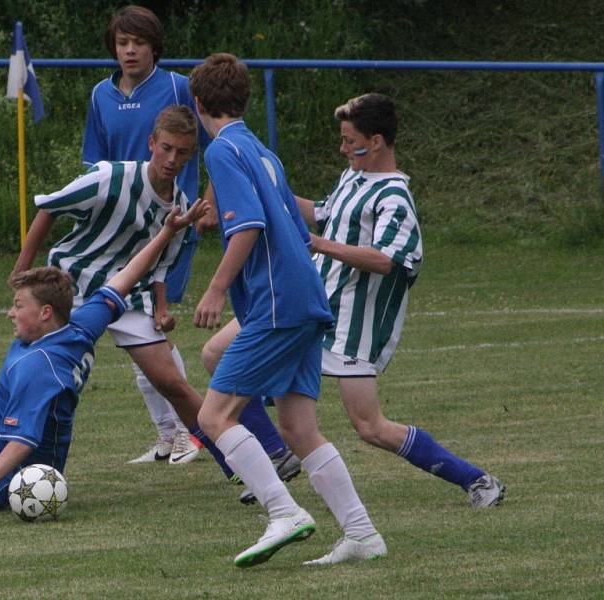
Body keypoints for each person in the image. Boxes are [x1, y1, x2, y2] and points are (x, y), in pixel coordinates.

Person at [203, 92, 506, 510]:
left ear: (377, 141)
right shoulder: (353, 177)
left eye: (350, 141)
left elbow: (385, 260)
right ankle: (276, 453)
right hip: (306, 303)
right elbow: (322, 212)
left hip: (352, 327)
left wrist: (319, 245)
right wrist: (265, 192)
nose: (343, 148)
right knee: (215, 353)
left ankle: (475, 478)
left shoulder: (394, 197)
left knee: (369, 426)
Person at [73, 4, 294, 472]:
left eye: (139, 42)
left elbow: (221, 146)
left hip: (170, 228)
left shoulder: (178, 87)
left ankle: (189, 434)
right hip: (123, 234)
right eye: (122, 42)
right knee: (138, 334)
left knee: (151, 328)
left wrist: (210, 201)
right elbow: (96, 162)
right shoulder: (100, 95)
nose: (130, 50)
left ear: (155, 46)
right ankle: (172, 434)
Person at [189, 53, 387, 568]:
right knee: (298, 426)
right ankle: (362, 534)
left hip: (278, 304)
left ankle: (283, 511)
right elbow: (291, 228)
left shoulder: (222, 152)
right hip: (305, 300)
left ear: (197, 103)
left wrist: (215, 289)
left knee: (214, 414)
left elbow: (249, 224)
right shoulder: (260, 150)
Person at [0, 199, 206, 516]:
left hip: (11, 464)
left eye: (19, 305)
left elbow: (22, 444)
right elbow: (125, 276)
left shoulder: (40, 368)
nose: (10, 313)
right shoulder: (80, 324)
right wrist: (168, 230)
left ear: (45, 313)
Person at [13, 105, 241, 479]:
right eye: (166, 148)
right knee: (37, 375)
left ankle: (233, 461)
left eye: (182, 153)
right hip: (71, 287)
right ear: (151, 143)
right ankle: (17, 459)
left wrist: (161, 308)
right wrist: (22, 270)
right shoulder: (108, 177)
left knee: (172, 383)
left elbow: (162, 265)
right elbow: (49, 207)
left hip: (130, 297)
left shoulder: (182, 207)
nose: (172, 159)